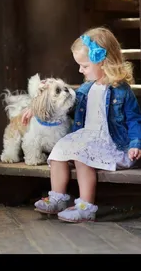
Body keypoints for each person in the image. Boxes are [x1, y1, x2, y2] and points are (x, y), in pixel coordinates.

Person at [22, 27, 141, 223]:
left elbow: (134, 119)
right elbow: (63, 102)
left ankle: (85, 206)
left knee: (82, 155)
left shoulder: (121, 91)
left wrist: (136, 143)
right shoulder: (86, 89)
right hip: (86, 137)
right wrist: (35, 108)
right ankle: (57, 197)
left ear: (102, 61)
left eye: (84, 66)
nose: (80, 70)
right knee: (59, 150)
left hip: (112, 143)